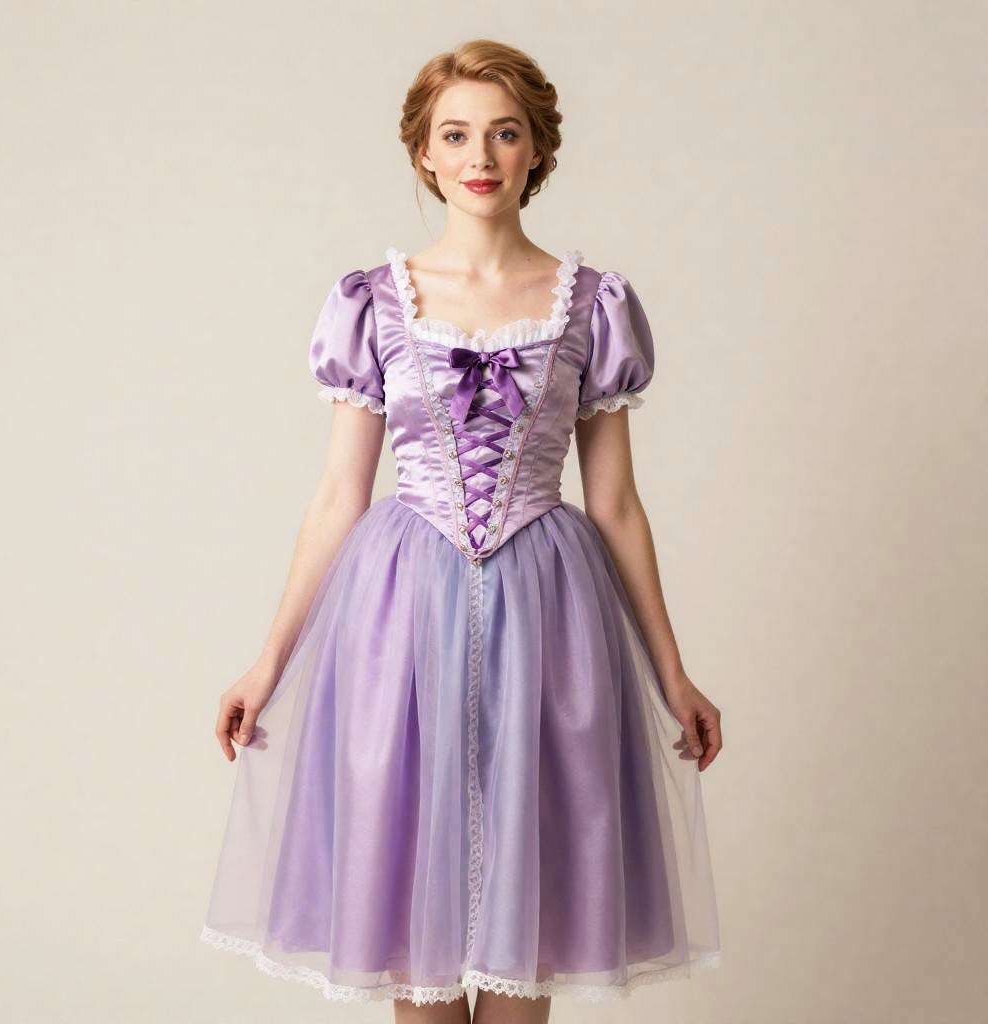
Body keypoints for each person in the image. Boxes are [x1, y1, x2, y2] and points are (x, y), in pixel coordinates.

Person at [199, 38, 722, 1024]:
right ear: (424, 153)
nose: (479, 155)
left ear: (537, 150)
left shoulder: (593, 304)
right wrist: (269, 661)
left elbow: (614, 502)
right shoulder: (372, 301)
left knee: (532, 932)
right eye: (455, 134)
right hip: (400, 620)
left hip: (548, 621)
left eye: (504, 133)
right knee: (415, 939)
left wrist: (673, 674)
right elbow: (338, 494)